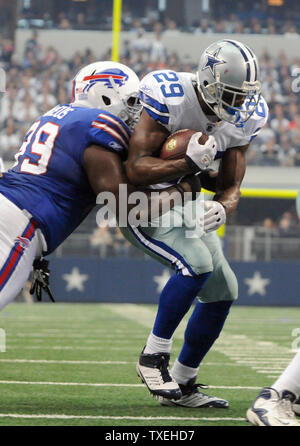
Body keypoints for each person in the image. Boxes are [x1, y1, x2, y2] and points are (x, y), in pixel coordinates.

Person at [123, 39, 268, 408]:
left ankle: (184, 382)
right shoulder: (169, 95)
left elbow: (231, 183)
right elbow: (135, 166)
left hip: (187, 202)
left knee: (224, 290)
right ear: (208, 81)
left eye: (243, 96)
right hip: (144, 201)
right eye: (230, 94)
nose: (238, 105)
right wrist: (188, 163)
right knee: (196, 265)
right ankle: (153, 357)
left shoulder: (244, 118)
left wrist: (224, 205)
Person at [0, 60, 198, 308]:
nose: (137, 113)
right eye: (132, 102)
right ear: (104, 95)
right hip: (20, 220)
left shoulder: (58, 115)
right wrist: (185, 188)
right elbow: (128, 209)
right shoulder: (98, 124)